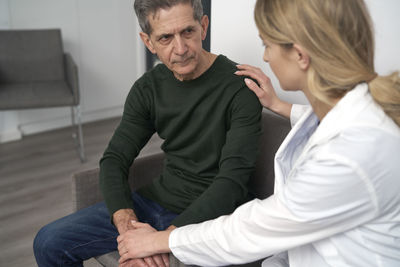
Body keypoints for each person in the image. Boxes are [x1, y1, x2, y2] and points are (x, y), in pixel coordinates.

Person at [116, 0, 400, 266]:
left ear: (300, 55)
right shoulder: (361, 115)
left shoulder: (349, 154)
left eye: (267, 45)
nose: (264, 56)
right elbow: (329, 121)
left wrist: (157, 240)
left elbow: (250, 230)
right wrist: (279, 105)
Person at [33, 0, 262, 266]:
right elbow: (114, 159)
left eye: (187, 31)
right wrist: (128, 227)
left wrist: (162, 240)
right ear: (148, 42)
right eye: (165, 37)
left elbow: (231, 183)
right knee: (48, 241)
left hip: (212, 217)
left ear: (203, 26)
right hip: (155, 202)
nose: (180, 48)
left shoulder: (240, 87)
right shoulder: (148, 89)